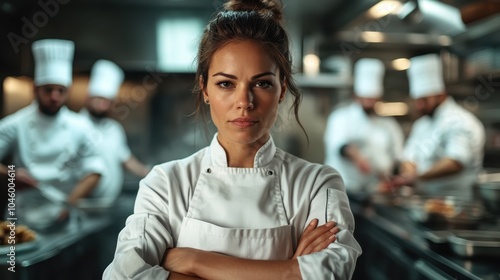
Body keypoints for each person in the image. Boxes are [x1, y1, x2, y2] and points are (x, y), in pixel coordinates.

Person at [103, 0, 361, 279]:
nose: (244, 102)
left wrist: (193, 261)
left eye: (262, 83)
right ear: (204, 89)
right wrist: (289, 270)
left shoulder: (316, 184)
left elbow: (332, 272)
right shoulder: (166, 184)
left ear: (282, 90)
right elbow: (122, 275)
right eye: (226, 83)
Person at [0, 39, 105, 210]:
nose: (54, 97)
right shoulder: (16, 123)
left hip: (64, 212)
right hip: (23, 212)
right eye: (48, 90)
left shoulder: (81, 126)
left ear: (68, 92)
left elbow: (95, 170)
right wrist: (11, 174)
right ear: (35, 89)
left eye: (60, 91)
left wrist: (69, 205)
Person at [392, 53, 486, 199]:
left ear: (440, 94)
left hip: (458, 203)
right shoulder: (421, 124)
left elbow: (455, 162)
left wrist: (418, 177)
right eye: (417, 100)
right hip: (424, 202)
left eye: (424, 100)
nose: (419, 106)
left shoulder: (460, 121)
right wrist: (408, 171)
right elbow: (409, 157)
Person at [324, 58, 404, 194]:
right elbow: (339, 145)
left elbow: (397, 157)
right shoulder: (340, 117)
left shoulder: (389, 125)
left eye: (372, 99)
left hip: (376, 191)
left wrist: (391, 177)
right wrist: (358, 158)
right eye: (366, 99)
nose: (369, 103)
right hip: (342, 190)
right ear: (356, 95)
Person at [80, 59, 150, 206]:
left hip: (107, 207)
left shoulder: (114, 129)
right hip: (80, 206)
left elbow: (126, 159)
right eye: (99, 99)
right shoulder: (76, 125)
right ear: (88, 97)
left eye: (108, 101)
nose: (103, 106)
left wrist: (149, 172)